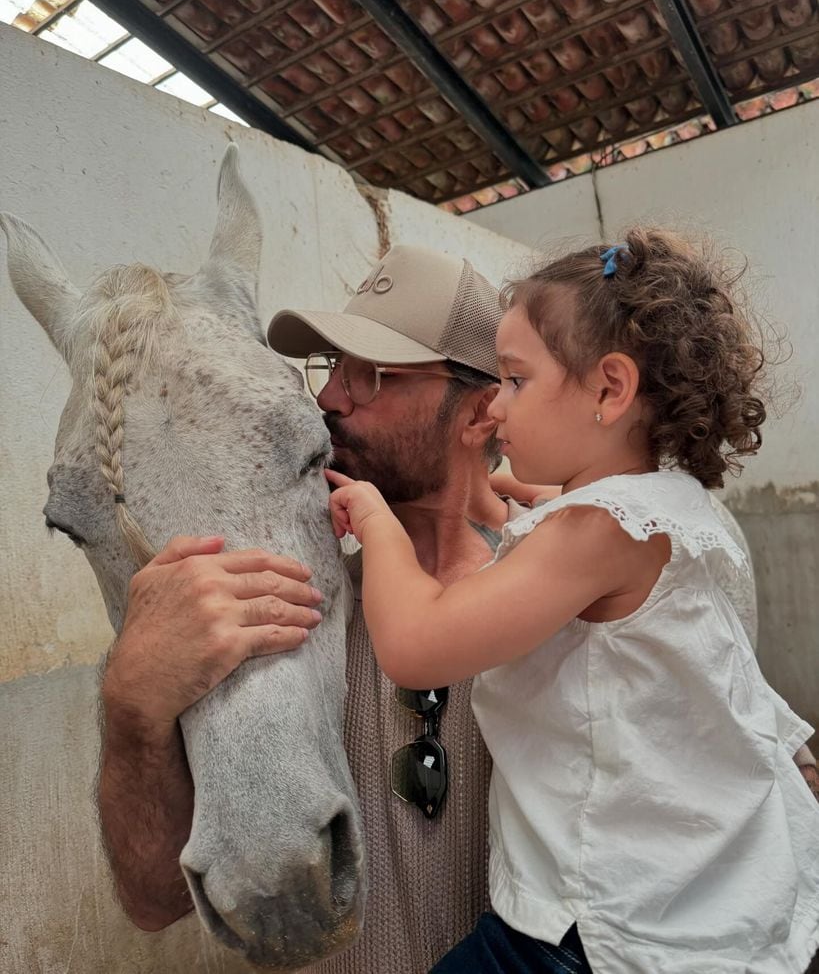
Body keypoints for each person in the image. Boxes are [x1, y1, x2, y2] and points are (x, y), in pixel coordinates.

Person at [99, 242, 818, 974]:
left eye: (370, 374)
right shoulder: (279, 601)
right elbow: (154, 902)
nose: (326, 401)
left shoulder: (575, 580)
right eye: (330, 368)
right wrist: (131, 701)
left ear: (482, 412)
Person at [325, 230, 819, 973]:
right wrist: (522, 514)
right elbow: (562, 538)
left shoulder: (589, 532)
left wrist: (374, 523)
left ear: (609, 390)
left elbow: (416, 641)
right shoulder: (663, 509)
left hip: (590, 932)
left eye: (517, 380)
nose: (494, 406)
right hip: (684, 910)